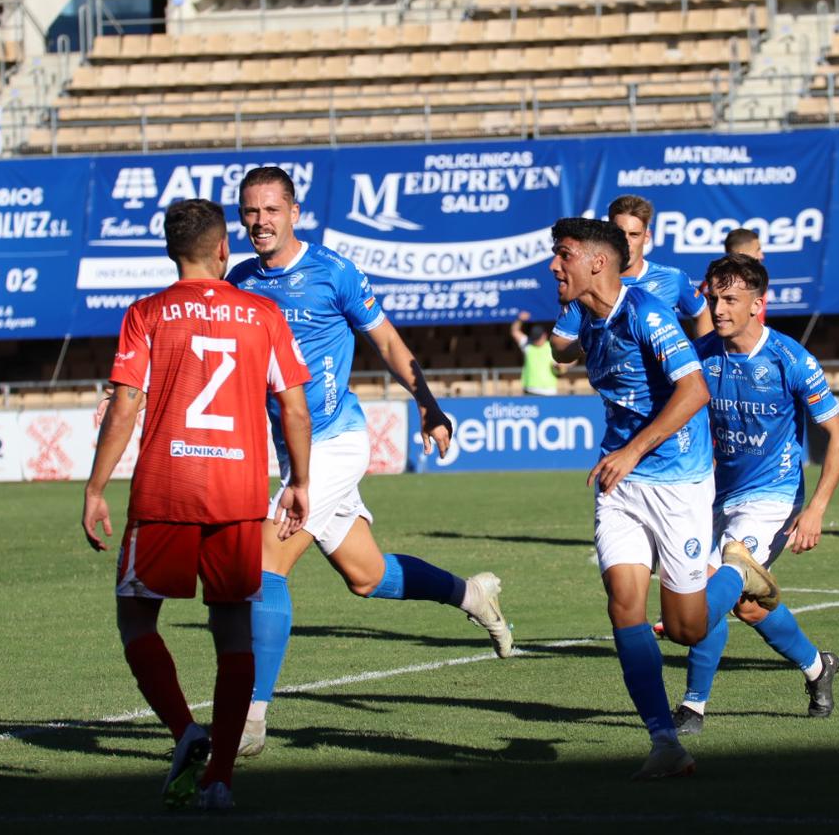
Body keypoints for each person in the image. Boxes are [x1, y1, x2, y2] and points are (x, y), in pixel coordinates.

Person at [225, 166, 515, 756]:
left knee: (264, 563)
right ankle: (471, 596)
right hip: (291, 448)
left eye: (270, 210)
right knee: (367, 576)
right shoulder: (240, 281)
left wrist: (429, 406)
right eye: (250, 212)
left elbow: (386, 341)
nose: (260, 222)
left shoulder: (333, 272)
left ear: (294, 211)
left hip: (335, 440)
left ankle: (251, 717)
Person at [81, 198, 313, 812]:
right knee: (233, 631)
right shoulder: (262, 312)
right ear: (222, 250)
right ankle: (222, 781)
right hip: (237, 494)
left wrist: (96, 487)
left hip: (165, 489)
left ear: (169, 252)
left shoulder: (147, 314)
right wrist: (299, 481)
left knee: (136, 619)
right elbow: (293, 405)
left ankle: (186, 731)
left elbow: (126, 405)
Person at [548, 217, 774, 780]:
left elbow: (694, 389)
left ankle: (737, 574)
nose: (555, 265)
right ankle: (664, 742)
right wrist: (623, 457)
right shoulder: (588, 319)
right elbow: (561, 351)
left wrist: (634, 450)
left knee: (686, 629)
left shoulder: (647, 311)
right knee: (623, 604)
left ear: (598, 262)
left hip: (678, 483)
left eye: (564, 255)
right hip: (621, 487)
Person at [669, 254, 839, 734]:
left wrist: (816, 510)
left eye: (730, 299)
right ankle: (817, 667)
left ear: (758, 304)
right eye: (713, 298)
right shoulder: (702, 354)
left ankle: (692, 706)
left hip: (774, 496)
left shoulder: (790, 359)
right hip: (716, 494)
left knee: (721, 583)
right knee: (747, 604)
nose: (719, 308)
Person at [555, 196, 711, 353]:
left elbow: (701, 313)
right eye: (620, 233)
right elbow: (559, 347)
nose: (626, 242)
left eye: (634, 234)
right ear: (608, 234)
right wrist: (592, 339)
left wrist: (705, 357)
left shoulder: (673, 279)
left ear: (647, 237)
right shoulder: (586, 282)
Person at [511, 311, 564, 394]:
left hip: (548, 391)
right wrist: (519, 320)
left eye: (538, 339)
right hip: (530, 389)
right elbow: (515, 332)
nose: (536, 341)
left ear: (544, 336)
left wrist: (560, 367)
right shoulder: (528, 344)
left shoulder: (552, 347)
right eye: (534, 339)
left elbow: (562, 366)